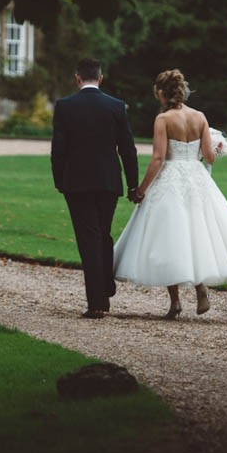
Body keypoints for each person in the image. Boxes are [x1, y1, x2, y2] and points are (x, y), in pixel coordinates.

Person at [113, 69, 227, 319]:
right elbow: (209, 157)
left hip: (170, 178)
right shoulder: (200, 117)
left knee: (170, 237)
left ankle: (175, 301)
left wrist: (141, 189)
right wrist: (217, 147)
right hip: (197, 180)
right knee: (197, 232)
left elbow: (157, 158)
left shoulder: (163, 120)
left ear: (163, 93)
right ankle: (201, 289)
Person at [51, 57, 140, 319]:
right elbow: (128, 148)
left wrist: (60, 180)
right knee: (102, 233)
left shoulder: (65, 106)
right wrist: (132, 183)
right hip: (108, 180)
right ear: (100, 79)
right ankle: (105, 283)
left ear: (77, 78)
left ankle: (97, 302)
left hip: (76, 182)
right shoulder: (115, 106)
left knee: (88, 238)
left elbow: (59, 149)